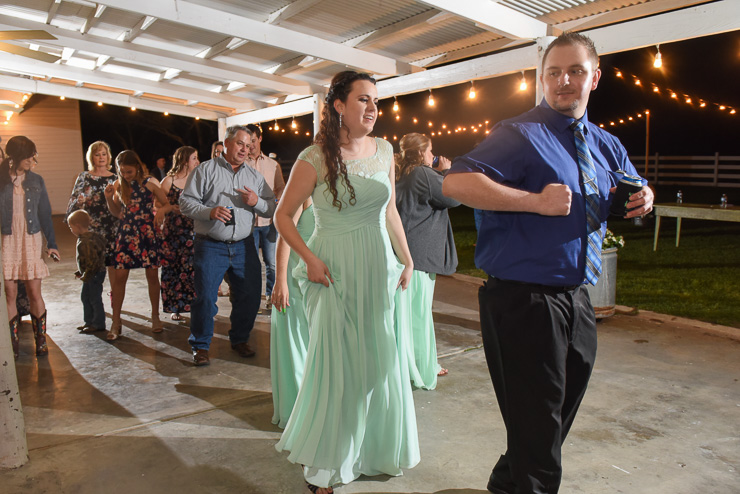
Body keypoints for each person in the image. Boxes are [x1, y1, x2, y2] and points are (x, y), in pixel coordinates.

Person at [442, 32, 655, 494]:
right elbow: (456, 183)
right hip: (523, 300)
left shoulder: (605, 143)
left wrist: (646, 195)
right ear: (542, 79)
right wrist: (535, 201)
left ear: (594, 78)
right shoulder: (519, 134)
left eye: (575, 71)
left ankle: (506, 483)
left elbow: (630, 185)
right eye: (553, 72)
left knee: (550, 421)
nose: (563, 81)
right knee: (539, 429)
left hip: (578, 298)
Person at [273, 70, 419, 494]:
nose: (373, 108)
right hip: (332, 271)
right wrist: (309, 260)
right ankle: (326, 464)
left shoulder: (385, 149)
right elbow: (283, 217)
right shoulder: (314, 157)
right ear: (339, 105)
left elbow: (390, 211)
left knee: (377, 363)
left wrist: (407, 259)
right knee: (336, 365)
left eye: (376, 101)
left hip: (377, 268)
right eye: (363, 99)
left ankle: (371, 450)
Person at [179, 125, 276, 366]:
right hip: (210, 245)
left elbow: (271, 207)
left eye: (248, 145)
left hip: (245, 245)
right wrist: (210, 211)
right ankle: (201, 346)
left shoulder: (254, 176)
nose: (245, 149)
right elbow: (186, 203)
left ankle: (240, 338)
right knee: (205, 298)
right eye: (240, 143)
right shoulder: (204, 170)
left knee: (250, 296)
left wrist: (256, 202)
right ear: (227, 143)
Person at [394, 133, 460, 390]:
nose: (433, 155)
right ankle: (423, 368)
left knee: (408, 316)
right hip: (419, 257)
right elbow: (453, 197)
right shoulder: (422, 173)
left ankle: (412, 365)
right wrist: (447, 172)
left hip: (408, 254)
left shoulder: (403, 173)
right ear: (421, 152)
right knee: (419, 316)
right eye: (430, 150)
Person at [1, 136, 59, 359]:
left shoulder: (36, 180)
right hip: (7, 240)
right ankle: (12, 345)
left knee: (35, 292)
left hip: (30, 239)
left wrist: (52, 244)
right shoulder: (1, 179)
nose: (31, 160)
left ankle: (41, 341)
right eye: (27, 156)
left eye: (33, 156)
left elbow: (45, 213)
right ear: (15, 156)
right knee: (10, 293)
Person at [104, 150, 169, 341]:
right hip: (126, 234)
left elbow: (167, 204)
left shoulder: (150, 183)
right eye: (122, 172)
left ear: (137, 167)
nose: (126, 175)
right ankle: (116, 321)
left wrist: (161, 212)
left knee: (152, 276)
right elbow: (116, 212)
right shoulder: (119, 185)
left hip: (147, 233)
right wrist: (108, 198)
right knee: (119, 277)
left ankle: (155, 316)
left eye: (129, 172)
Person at [269, 198, 314, 428]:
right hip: (293, 280)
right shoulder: (303, 192)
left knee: (313, 344)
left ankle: (314, 404)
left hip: (318, 279)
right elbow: (284, 237)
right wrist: (280, 281)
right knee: (296, 341)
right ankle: (298, 411)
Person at [66, 141, 121, 303]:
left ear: (108, 156)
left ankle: (115, 298)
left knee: (112, 264)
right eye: (97, 154)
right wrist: (80, 202)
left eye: (104, 154)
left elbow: (121, 202)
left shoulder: (115, 178)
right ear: (92, 157)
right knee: (94, 265)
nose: (101, 157)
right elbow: (73, 202)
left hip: (112, 226)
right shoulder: (84, 177)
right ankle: (96, 302)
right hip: (92, 228)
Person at [246, 124, 285, 311]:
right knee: (251, 263)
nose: (251, 145)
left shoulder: (273, 164)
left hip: (269, 221)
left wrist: (277, 200)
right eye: (248, 142)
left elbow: (281, 187)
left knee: (272, 262)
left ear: (260, 139)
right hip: (248, 222)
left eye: (253, 141)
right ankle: (253, 298)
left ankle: (270, 295)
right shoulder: (240, 164)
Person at [158, 146, 199, 322]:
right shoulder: (169, 181)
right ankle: (175, 307)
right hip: (174, 232)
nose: (197, 161)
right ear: (184, 160)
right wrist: (170, 208)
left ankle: (196, 306)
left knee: (193, 269)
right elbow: (157, 205)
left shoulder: (197, 179)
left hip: (194, 230)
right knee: (173, 269)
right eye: (194, 158)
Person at [67, 210, 107, 333]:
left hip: (93, 274)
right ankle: (89, 322)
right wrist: (81, 271)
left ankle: (98, 323)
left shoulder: (86, 241)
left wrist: (86, 274)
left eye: (71, 227)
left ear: (78, 225)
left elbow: (92, 261)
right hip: (93, 273)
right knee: (86, 297)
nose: (71, 230)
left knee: (93, 298)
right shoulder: (92, 237)